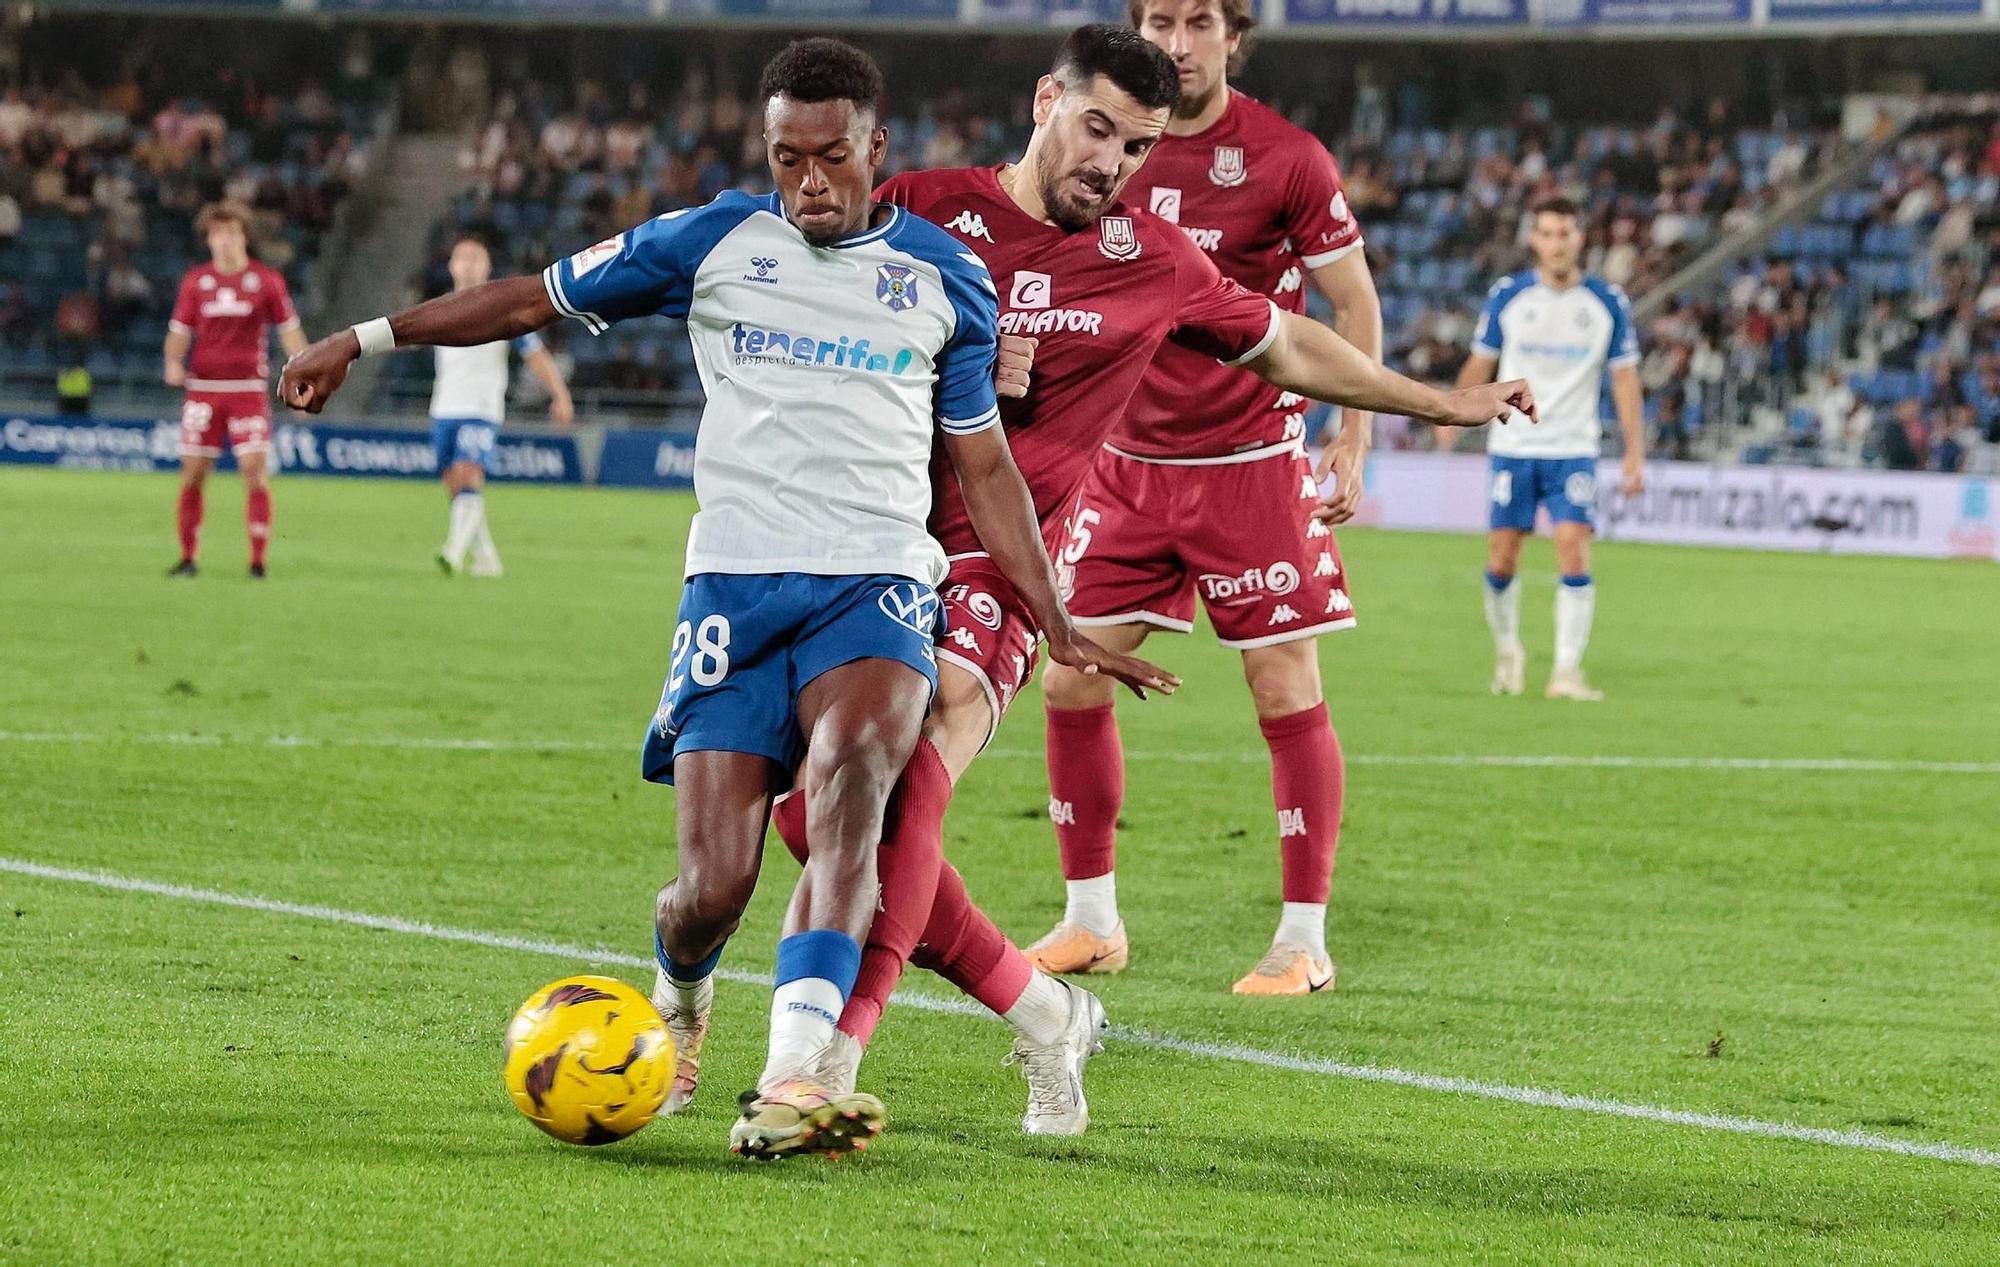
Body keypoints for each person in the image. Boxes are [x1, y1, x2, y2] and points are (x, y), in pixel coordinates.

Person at [277, 37, 1166, 1162]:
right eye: (787, 157)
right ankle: (683, 1000)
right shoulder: (713, 241)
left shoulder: (946, 276)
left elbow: (984, 467)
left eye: (831, 157)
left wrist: (1054, 616)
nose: (809, 181)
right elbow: (531, 299)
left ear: (875, 150)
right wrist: (361, 338)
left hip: (878, 586)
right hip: (735, 591)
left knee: (855, 793)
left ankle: (795, 1073)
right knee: (711, 889)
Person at [767, 24, 1534, 1136]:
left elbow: (1289, 342)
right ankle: (1042, 1010)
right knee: (810, 817)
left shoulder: (1153, 260)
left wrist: (1438, 402)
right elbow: (816, 317)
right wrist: (955, 359)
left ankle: (823, 1059)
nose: (1111, 165)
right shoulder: (923, 209)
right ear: (1045, 101)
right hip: (863, 548)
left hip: (999, 566)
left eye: (1135, 148)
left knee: (908, 771)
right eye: (1096, 131)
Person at [1027, 0, 1386, 996]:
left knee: (1283, 685)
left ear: (1234, 34)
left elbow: (1353, 300)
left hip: (1250, 463)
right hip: (1124, 465)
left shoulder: (1287, 158)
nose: (1177, 43)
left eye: (1197, 22)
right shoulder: (1100, 146)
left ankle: (1303, 940)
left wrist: (1353, 435)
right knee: (1069, 678)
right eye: (1158, 20)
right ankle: (1090, 920)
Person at [1459, 196, 1644, 701]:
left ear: (1580, 239)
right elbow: (1482, 361)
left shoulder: (1606, 302)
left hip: (1573, 447)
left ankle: (1566, 670)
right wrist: (1449, 410)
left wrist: (1635, 452)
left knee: (1573, 550)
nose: (1557, 244)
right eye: (1547, 234)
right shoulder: (1509, 295)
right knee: (1502, 559)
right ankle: (1508, 650)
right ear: (1534, 239)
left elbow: (1625, 379)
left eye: (1565, 233)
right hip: (1514, 444)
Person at [164, 201, 308, 579]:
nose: (224, 240)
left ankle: (258, 561)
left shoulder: (266, 281)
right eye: (217, 234)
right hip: (203, 390)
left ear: (244, 237)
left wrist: (303, 376)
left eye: (231, 232)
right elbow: (179, 331)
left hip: (247, 390)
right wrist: (173, 362)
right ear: (208, 240)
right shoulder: (195, 282)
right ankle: (188, 558)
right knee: (193, 474)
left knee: (253, 470)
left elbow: (289, 331)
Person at [428, 234, 574, 577]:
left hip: (481, 407)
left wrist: (560, 394)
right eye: (462, 257)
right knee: (454, 484)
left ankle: (453, 552)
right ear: (451, 266)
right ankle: (486, 556)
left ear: (487, 266)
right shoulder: (437, 309)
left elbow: (535, 354)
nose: (468, 264)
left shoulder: (502, 309)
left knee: (468, 473)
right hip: (443, 407)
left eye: (475, 257)